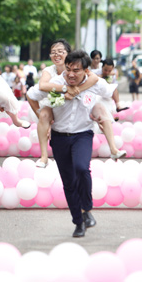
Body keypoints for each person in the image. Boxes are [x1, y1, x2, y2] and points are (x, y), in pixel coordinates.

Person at [49, 50, 117, 237]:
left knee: (81, 168)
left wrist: (104, 110)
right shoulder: (56, 84)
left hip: (82, 135)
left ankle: (86, 208)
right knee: (69, 183)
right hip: (59, 137)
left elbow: (111, 90)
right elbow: (34, 93)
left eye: (76, 70)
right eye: (68, 69)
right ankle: (79, 222)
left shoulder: (94, 83)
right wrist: (44, 119)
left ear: (86, 71)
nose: (71, 74)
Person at [27, 40, 124, 169]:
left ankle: (113, 149)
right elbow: (42, 86)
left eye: (60, 52)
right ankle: (44, 156)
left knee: (100, 108)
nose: (57, 55)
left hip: (80, 108)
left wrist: (78, 89)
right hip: (53, 102)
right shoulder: (50, 73)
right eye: (53, 52)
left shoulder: (82, 68)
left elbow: (95, 79)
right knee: (45, 114)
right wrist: (65, 90)